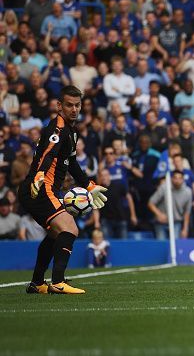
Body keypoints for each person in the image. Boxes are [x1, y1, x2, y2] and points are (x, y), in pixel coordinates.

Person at [17, 85, 107, 295]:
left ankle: (37, 283)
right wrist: (40, 174)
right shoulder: (57, 129)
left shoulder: (71, 131)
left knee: (55, 234)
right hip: (39, 188)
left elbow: (72, 163)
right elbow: (48, 153)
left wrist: (89, 185)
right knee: (70, 228)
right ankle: (57, 281)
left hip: (39, 189)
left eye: (77, 105)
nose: (74, 109)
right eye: (69, 105)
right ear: (59, 106)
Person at [148, 170, 192, 239]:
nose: (177, 180)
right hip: (161, 223)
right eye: (175, 178)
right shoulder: (164, 187)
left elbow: (187, 212)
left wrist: (185, 229)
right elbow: (151, 203)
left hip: (176, 222)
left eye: (179, 178)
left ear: (183, 179)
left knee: (175, 245)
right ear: (171, 178)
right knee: (161, 245)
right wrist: (159, 214)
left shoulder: (188, 192)